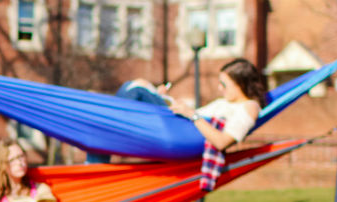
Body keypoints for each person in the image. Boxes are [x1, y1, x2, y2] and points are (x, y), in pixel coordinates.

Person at [87, 58, 267, 165]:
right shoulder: (231, 102)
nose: (220, 89)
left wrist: (192, 114)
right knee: (135, 86)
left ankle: (97, 156)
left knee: (135, 91)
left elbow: (221, 142)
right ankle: (100, 147)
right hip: (181, 122)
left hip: (182, 130)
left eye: (224, 84)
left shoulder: (249, 107)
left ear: (241, 84)